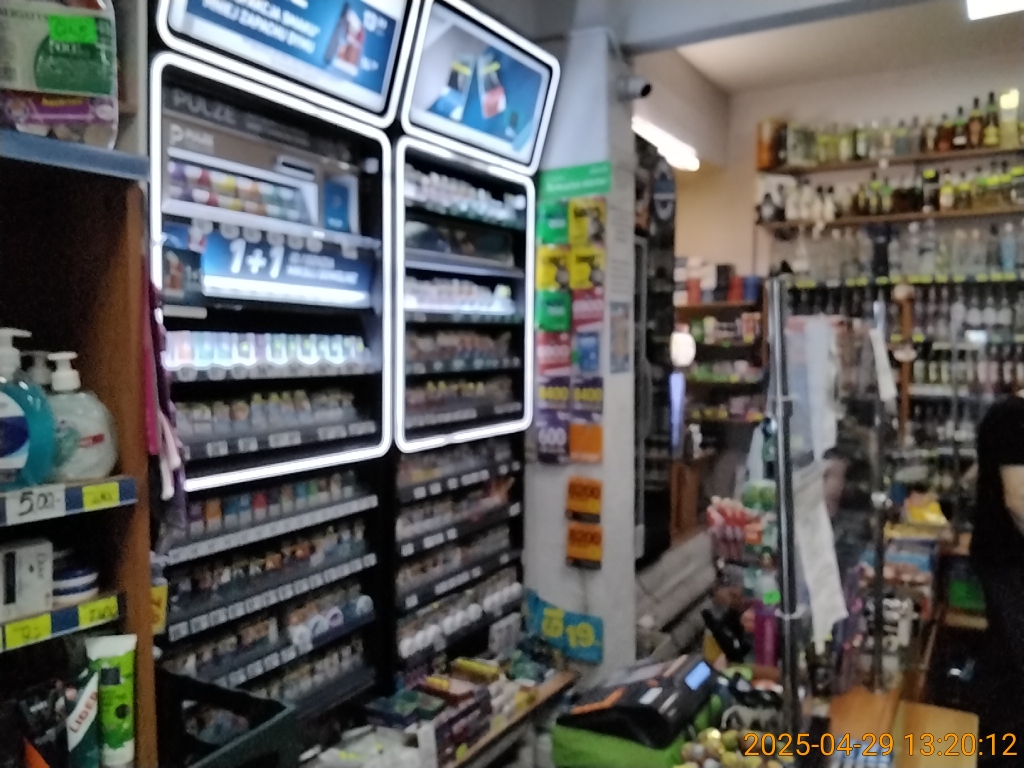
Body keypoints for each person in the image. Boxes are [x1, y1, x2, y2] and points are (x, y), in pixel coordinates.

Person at [971, 395, 1024, 758]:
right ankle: (1001, 750)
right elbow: (1018, 500)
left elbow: (977, 472)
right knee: (1012, 664)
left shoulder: (1005, 416)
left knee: (1005, 655)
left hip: (1003, 559)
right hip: (1007, 561)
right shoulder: (1013, 417)